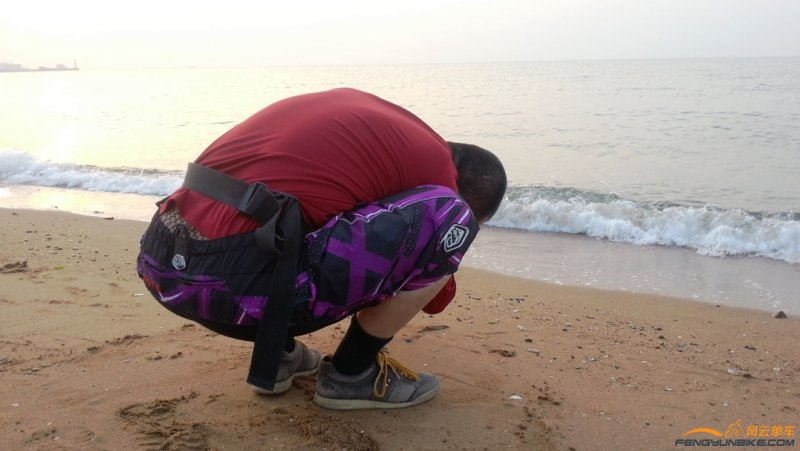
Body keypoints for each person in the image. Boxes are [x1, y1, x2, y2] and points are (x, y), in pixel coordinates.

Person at [137, 88, 506, 410]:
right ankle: (352, 374)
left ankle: (280, 356)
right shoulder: (437, 171)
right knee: (449, 219)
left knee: (299, 211)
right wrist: (458, 241)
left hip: (162, 265)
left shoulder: (386, 126)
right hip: (232, 291)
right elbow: (435, 287)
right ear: (467, 190)